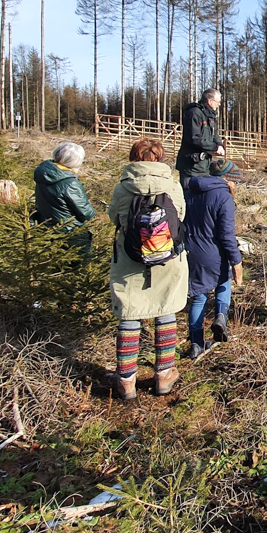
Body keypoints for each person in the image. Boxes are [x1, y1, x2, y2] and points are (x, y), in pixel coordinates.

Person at [109, 138, 190, 400]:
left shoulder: (123, 188)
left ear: (134, 158)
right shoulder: (173, 186)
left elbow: (115, 218)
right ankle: (164, 375)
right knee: (165, 310)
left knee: (130, 314)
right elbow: (181, 216)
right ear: (160, 158)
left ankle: (126, 380)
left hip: (130, 259)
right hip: (167, 258)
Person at [184, 158, 244, 359]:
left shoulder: (189, 191)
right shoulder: (223, 197)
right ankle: (220, 317)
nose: (236, 185)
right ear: (227, 179)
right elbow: (227, 234)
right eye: (235, 181)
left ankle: (195, 344)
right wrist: (236, 261)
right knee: (223, 282)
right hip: (215, 253)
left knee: (199, 297)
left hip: (191, 252)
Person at [32, 141, 96, 252]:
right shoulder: (70, 183)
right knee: (78, 268)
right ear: (75, 161)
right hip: (71, 234)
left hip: (48, 230)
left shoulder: (43, 174)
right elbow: (86, 213)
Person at [175, 88, 224, 187]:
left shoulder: (210, 116)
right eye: (218, 102)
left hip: (204, 165)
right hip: (191, 165)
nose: (219, 105)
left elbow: (214, 135)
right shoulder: (194, 113)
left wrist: (219, 145)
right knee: (188, 195)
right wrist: (214, 147)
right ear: (210, 101)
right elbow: (194, 138)